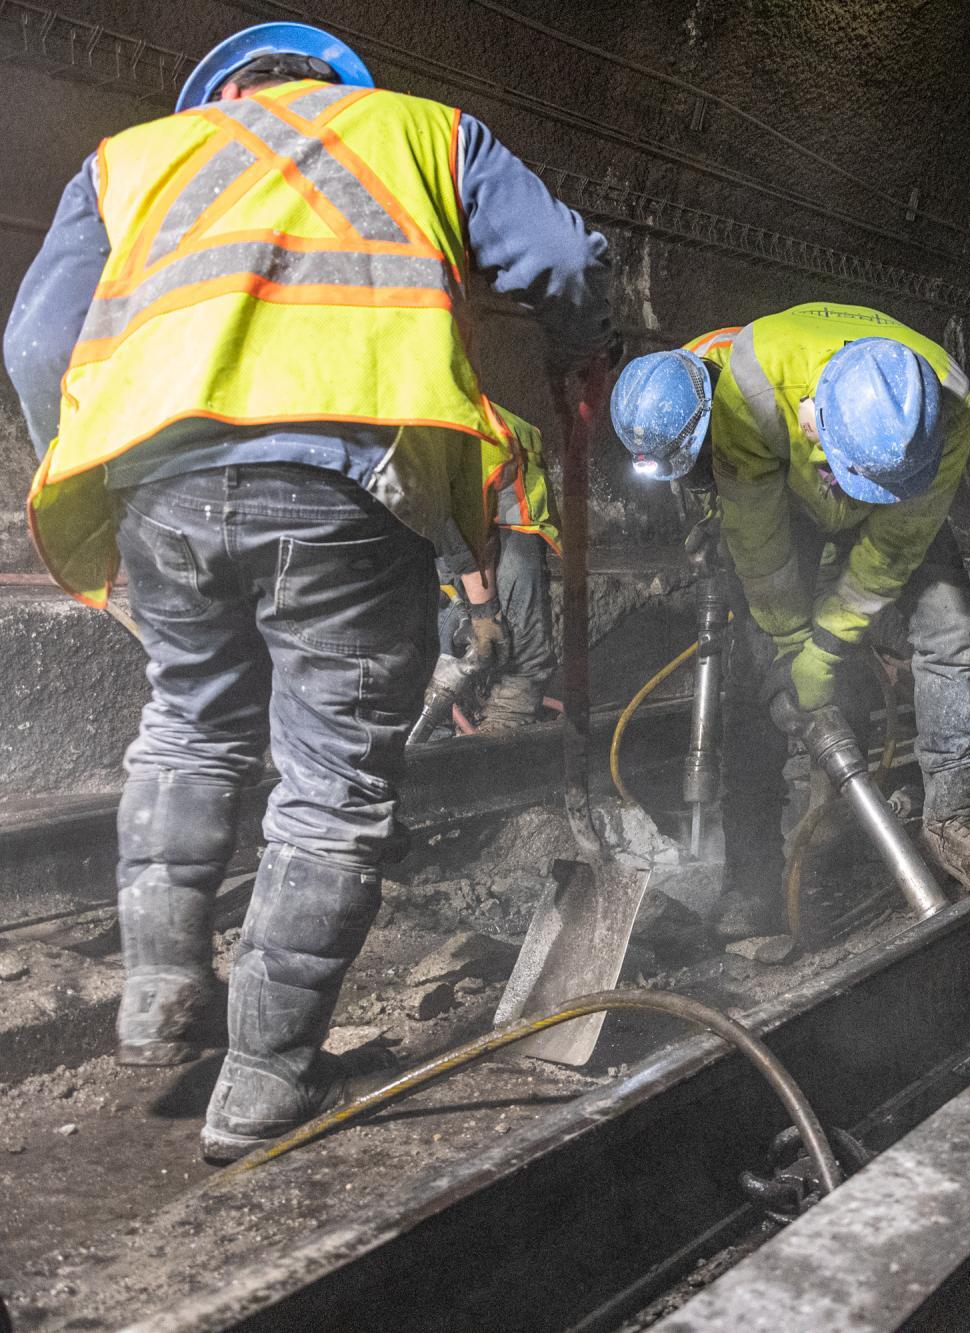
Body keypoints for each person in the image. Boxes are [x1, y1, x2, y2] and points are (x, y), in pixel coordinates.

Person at [3, 23, 613, 1161]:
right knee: (329, 786)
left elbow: (38, 341)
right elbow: (567, 267)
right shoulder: (429, 135)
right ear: (338, 85)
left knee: (186, 726)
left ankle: (160, 995)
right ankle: (263, 1085)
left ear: (223, 91)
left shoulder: (131, 157)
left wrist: (94, 472)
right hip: (346, 485)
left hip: (162, 489)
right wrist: (588, 346)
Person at [610, 304, 970, 936]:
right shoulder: (751, 391)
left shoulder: (950, 408)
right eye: (843, 470)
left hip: (896, 496)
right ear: (813, 415)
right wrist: (788, 644)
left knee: (950, 625)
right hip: (791, 502)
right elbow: (757, 535)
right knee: (760, 683)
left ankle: (955, 823)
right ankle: (751, 879)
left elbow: (895, 544)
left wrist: (827, 646)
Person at [428, 402, 561, 733]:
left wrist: (484, 611)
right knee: (444, 596)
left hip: (506, 477)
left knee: (515, 595)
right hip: (447, 477)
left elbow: (469, 529)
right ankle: (443, 716)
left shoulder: (435, 443)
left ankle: (509, 713)